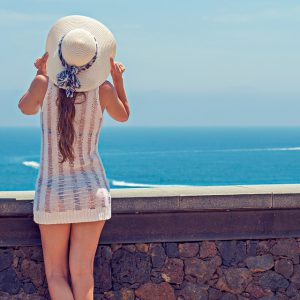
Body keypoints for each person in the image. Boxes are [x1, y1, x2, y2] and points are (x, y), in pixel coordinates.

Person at [18, 15, 130, 300]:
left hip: (53, 193)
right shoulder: (102, 91)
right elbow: (123, 115)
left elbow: (25, 108)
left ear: (58, 54)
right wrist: (117, 81)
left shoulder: (45, 84)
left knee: (56, 275)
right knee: (83, 274)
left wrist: (39, 76)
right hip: (92, 191)